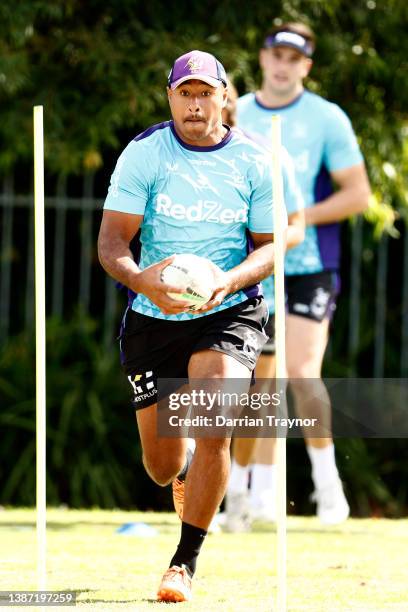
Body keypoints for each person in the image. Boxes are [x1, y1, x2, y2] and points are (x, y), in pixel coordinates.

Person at [98, 50, 282, 602]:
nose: (196, 104)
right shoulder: (144, 154)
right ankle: (185, 481)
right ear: (171, 97)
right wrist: (144, 282)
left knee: (213, 422)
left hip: (230, 309)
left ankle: (184, 562)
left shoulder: (254, 160)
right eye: (186, 93)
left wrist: (226, 283)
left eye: (207, 93)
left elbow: (270, 250)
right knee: (162, 465)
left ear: (226, 96)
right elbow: (112, 245)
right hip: (154, 317)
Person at [225, 22, 371, 529]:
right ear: (263, 57)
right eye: (276, 54)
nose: (283, 64)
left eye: (294, 57)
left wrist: (297, 214)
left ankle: (328, 487)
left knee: (302, 372)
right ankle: (248, 497)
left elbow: (359, 194)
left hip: (309, 264)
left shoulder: (327, 117)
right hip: (257, 265)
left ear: (306, 65)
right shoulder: (236, 111)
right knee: (260, 384)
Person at [217, 81, 305, 532]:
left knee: (255, 403)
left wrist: (263, 244)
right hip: (198, 298)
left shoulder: (265, 154)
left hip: (259, 294)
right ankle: (207, 492)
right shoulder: (174, 155)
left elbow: (296, 227)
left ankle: (238, 498)